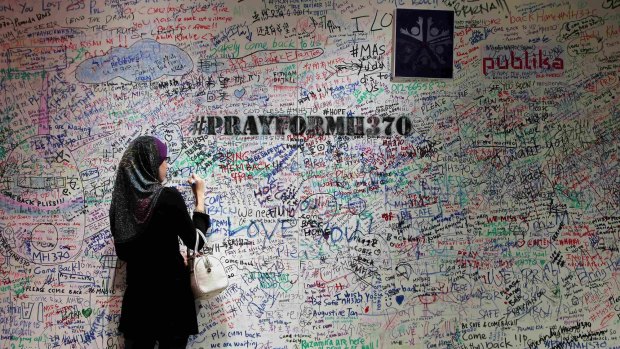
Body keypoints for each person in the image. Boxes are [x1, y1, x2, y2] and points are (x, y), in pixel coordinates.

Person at [109, 135, 209, 349]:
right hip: (172, 302)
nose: (167, 164)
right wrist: (199, 199)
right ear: (151, 163)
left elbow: (124, 253)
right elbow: (196, 242)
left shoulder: (121, 206)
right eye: (164, 159)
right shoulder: (168, 197)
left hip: (138, 305)